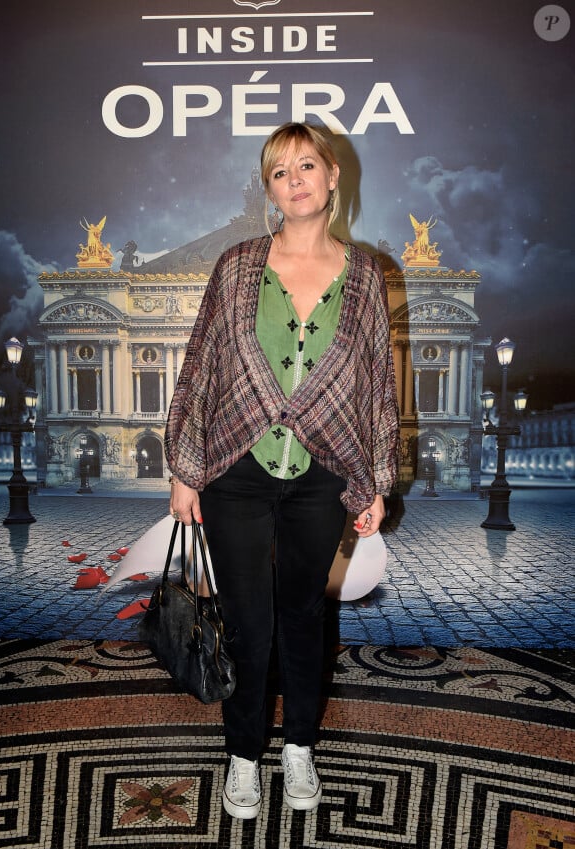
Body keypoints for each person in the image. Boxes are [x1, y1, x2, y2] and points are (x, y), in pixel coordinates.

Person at [165, 122, 399, 819]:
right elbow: (202, 366)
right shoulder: (237, 265)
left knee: (303, 615)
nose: (294, 180)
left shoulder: (364, 276)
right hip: (237, 467)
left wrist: (376, 481)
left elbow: (378, 385)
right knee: (247, 621)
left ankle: (298, 744)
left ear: (332, 177)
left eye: (306, 166)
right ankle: (243, 754)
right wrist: (185, 467)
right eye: (278, 172)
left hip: (324, 473)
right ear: (269, 188)